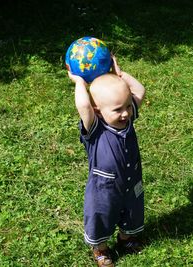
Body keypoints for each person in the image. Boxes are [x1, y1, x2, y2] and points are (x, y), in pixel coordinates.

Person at [68, 57, 146, 267]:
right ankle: (101, 250)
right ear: (98, 111)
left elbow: (140, 90)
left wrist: (121, 76)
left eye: (127, 106)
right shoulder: (95, 129)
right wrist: (79, 83)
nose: (125, 113)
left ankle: (125, 238)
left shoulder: (127, 118)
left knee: (132, 212)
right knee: (101, 217)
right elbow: (83, 106)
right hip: (104, 189)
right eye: (118, 109)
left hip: (131, 182)